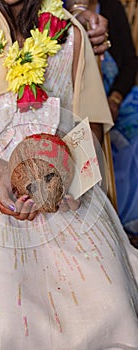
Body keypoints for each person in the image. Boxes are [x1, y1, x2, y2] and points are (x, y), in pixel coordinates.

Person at [0, 0, 138, 349]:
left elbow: (88, 130)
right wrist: (3, 172)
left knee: (109, 303)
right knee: (4, 315)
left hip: (64, 189)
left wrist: (64, 179)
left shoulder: (69, 34)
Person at [89, 0, 138, 242]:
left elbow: (130, 61)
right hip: (85, 100)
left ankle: (132, 219)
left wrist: (116, 98)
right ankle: (114, 217)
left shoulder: (110, 6)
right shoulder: (56, 10)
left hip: (118, 95)